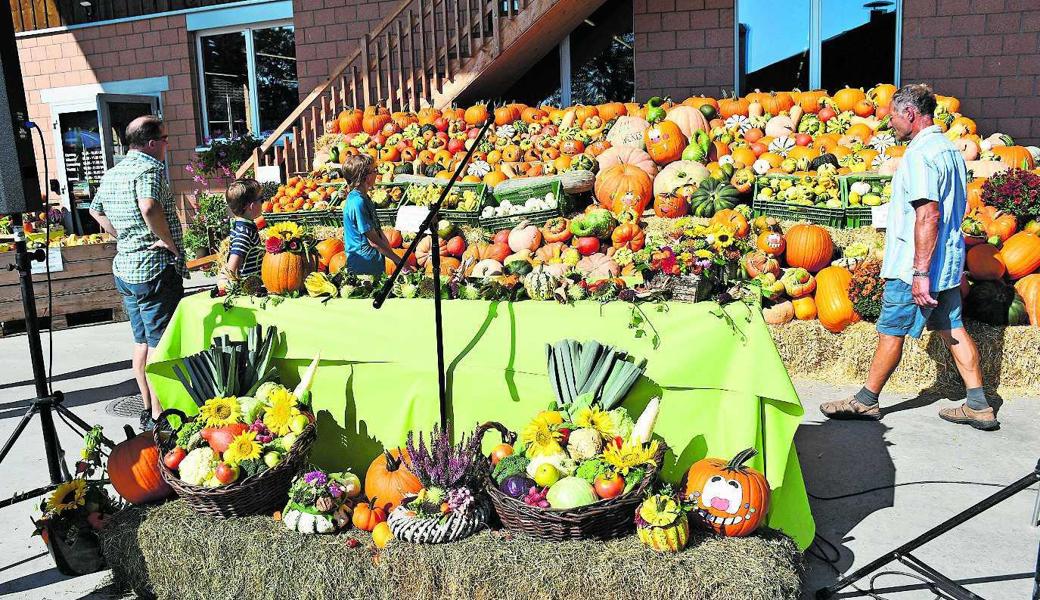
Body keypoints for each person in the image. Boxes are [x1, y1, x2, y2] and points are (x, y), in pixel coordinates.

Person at [819, 83, 998, 431]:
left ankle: (865, 401)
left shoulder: (919, 155)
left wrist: (919, 272)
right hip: (946, 263)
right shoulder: (948, 149)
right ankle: (979, 404)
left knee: (891, 331)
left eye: (893, 117)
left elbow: (928, 214)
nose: (889, 124)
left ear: (910, 114)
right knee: (952, 327)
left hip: (916, 266)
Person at [89, 115, 186, 432]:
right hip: (153, 268)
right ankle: (160, 417)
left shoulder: (114, 172)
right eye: (166, 139)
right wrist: (166, 241)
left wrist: (121, 236)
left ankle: (146, 406)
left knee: (141, 341)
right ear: (153, 143)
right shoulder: (150, 169)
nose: (167, 145)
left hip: (126, 267)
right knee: (162, 342)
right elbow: (148, 207)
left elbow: (95, 209)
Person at [340, 154, 407, 275]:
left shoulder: (364, 198)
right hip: (363, 265)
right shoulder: (357, 202)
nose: (377, 173)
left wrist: (390, 253)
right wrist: (399, 261)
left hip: (372, 261)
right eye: (374, 170)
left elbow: (377, 231)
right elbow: (373, 241)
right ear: (365, 177)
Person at [223, 178, 264, 279]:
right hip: (250, 289)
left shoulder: (241, 227)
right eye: (261, 200)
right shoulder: (244, 233)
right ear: (252, 206)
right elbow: (232, 267)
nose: (263, 203)